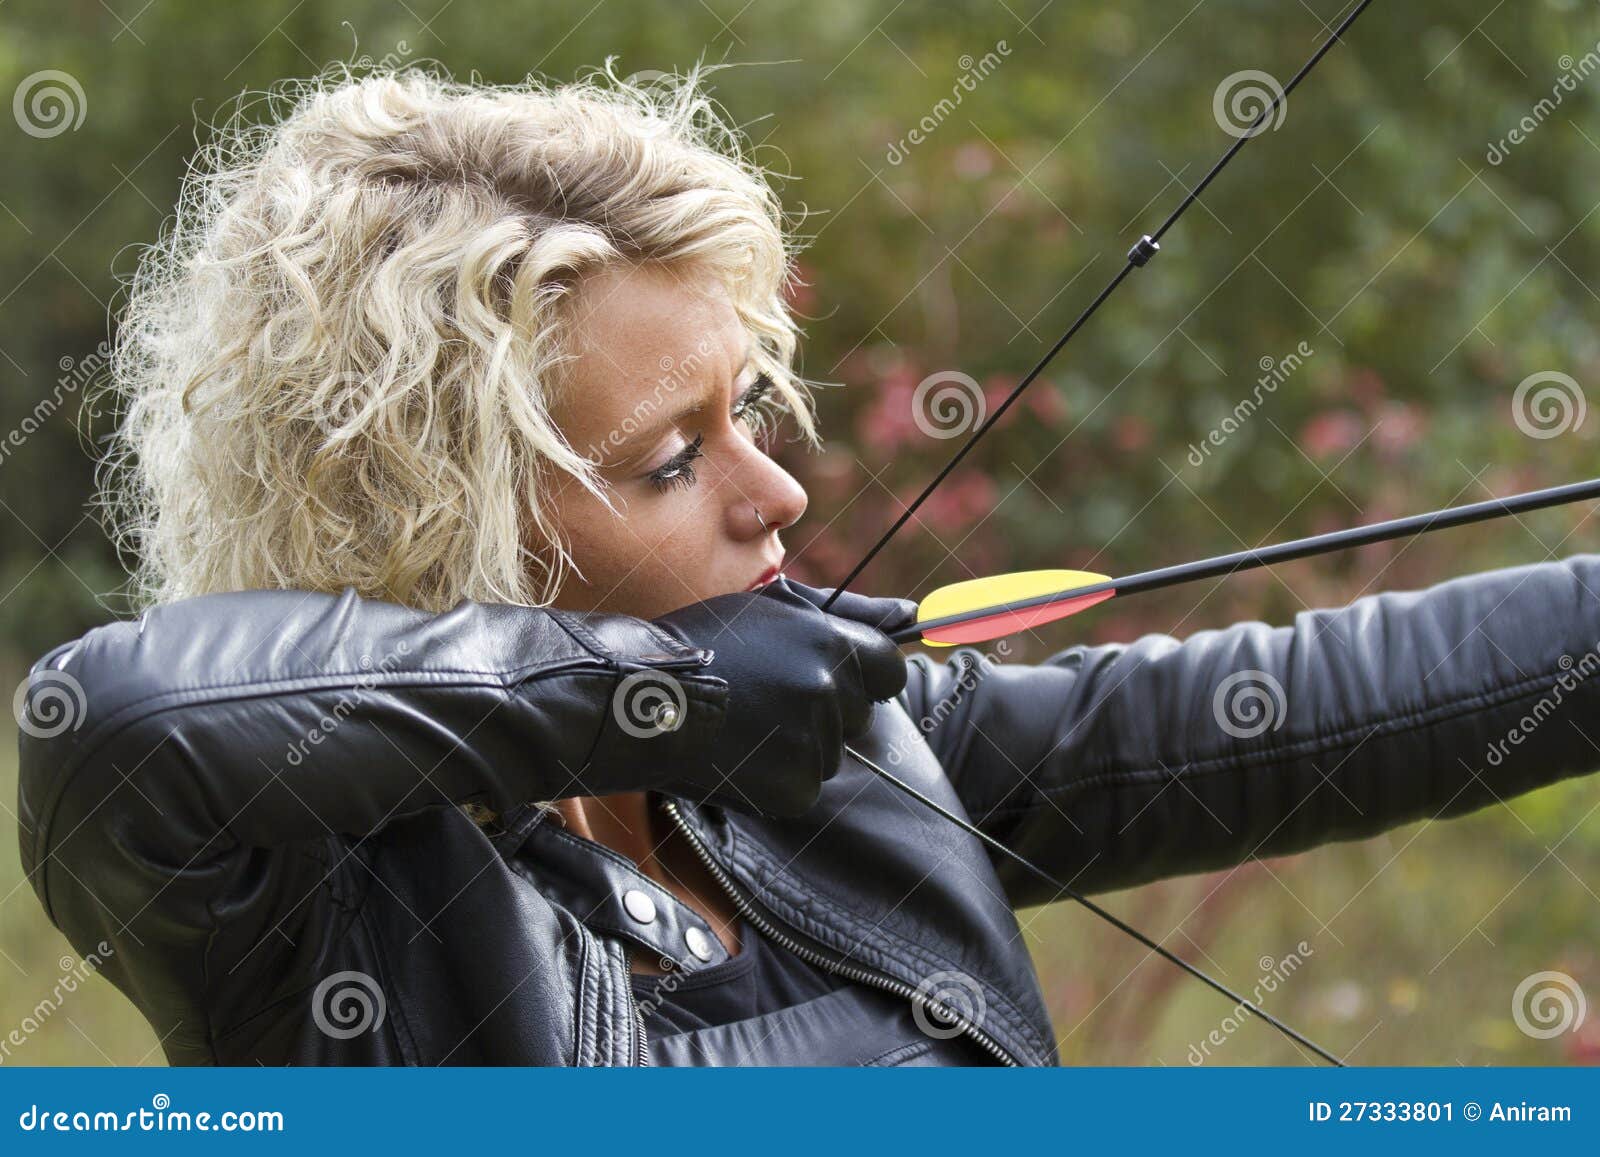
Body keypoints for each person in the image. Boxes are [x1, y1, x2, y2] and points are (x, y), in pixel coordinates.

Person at [15, 66, 1600, 1066]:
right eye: (671, 458)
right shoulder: (316, 913)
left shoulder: (837, 760)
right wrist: (654, 695)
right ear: (441, 524)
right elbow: (114, 724)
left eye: (750, 414)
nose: (776, 492)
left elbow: (1314, 703)